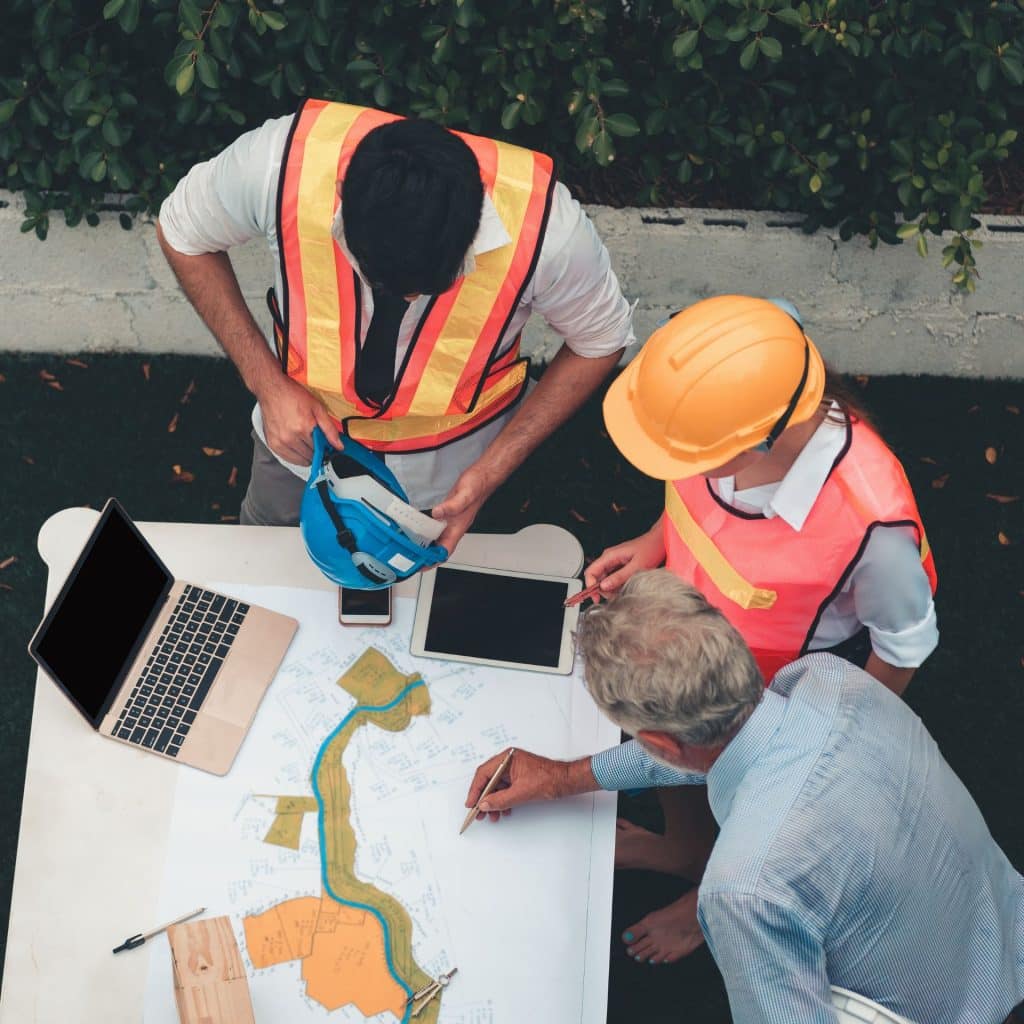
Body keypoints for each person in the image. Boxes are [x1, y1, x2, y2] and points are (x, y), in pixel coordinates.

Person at [465, 571, 1024, 1024]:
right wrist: (565, 778)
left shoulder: (745, 889)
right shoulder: (827, 678)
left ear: (659, 742)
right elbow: (735, 739)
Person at [582, 294, 938, 960]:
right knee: (662, 741)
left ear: (755, 443)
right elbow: (693, 498)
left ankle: (705, 901)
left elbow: (906, 646)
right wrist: (654, 542)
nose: (673, 465)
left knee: (758, 810)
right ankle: (685, 847)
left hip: (772, 702)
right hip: (686, 655)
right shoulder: (733, 382)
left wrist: (816, 746)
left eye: (683, 454)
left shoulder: (874, 528)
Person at [157, 100, 633, 551]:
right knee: (263, 562)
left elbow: (601, 339)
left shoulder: (549, 231)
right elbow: (181, 232)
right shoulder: (278, 165)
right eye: (380, 280)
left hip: (455, 470)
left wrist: (492, 470)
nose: (403, 299)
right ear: (341, 194)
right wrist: (268, 387)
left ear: (477, 218)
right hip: (300, 451)